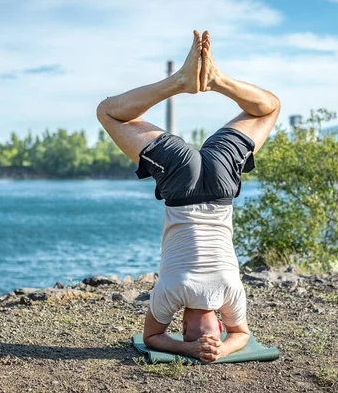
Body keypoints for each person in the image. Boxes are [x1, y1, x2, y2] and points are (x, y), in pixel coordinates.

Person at [96, 30, 280, 363]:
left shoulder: (177, 298)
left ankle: (182, 82)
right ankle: (215, 79)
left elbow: (153, 336)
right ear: (219, 322)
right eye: (210, 337)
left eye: (186, 334)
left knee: (109, 112)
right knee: (268, 109)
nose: (201, 339)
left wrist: (186, 349)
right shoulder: (225, 299)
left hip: (191, 184)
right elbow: (243, 335)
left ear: (180, 323)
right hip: (214, 186)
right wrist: (223, 347)